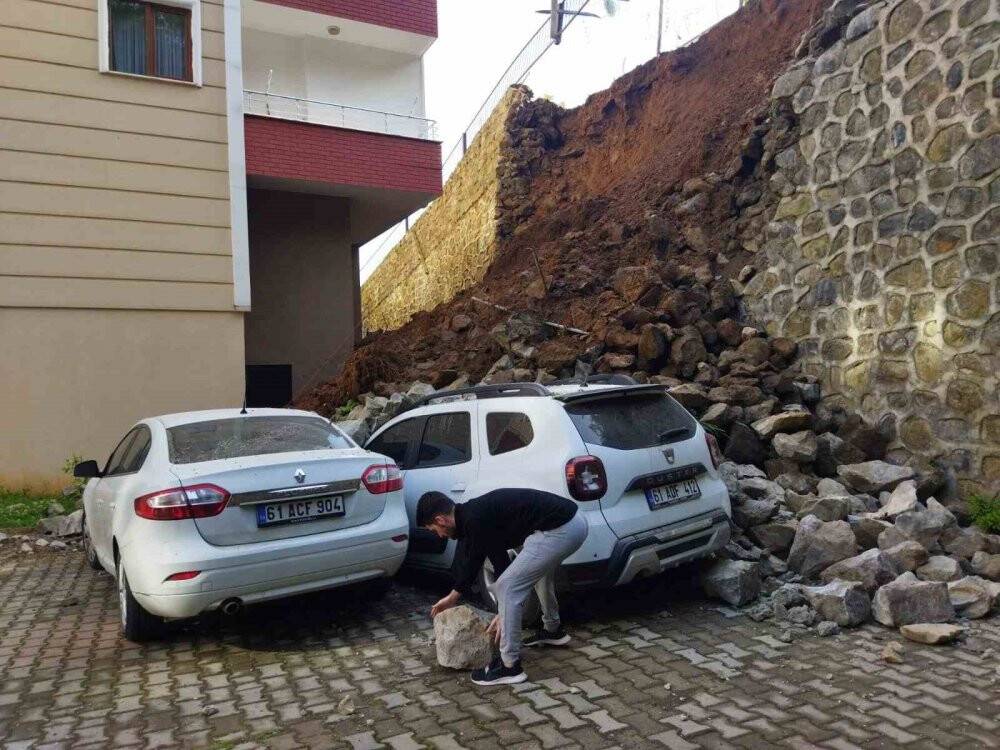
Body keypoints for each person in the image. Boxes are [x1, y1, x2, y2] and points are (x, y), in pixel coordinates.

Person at [417, 488, 588, 686]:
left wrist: (503, 611)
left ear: (440, 520)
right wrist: (453, 597)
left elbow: (503, 572)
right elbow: (478, 558)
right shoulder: (472, 516)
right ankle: (553, 630)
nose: (438, 535)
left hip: (561, 530)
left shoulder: (474, 519)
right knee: (536, 576)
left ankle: (509, 666)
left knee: (507, 586)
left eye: (433, 530)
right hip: (574, 522)